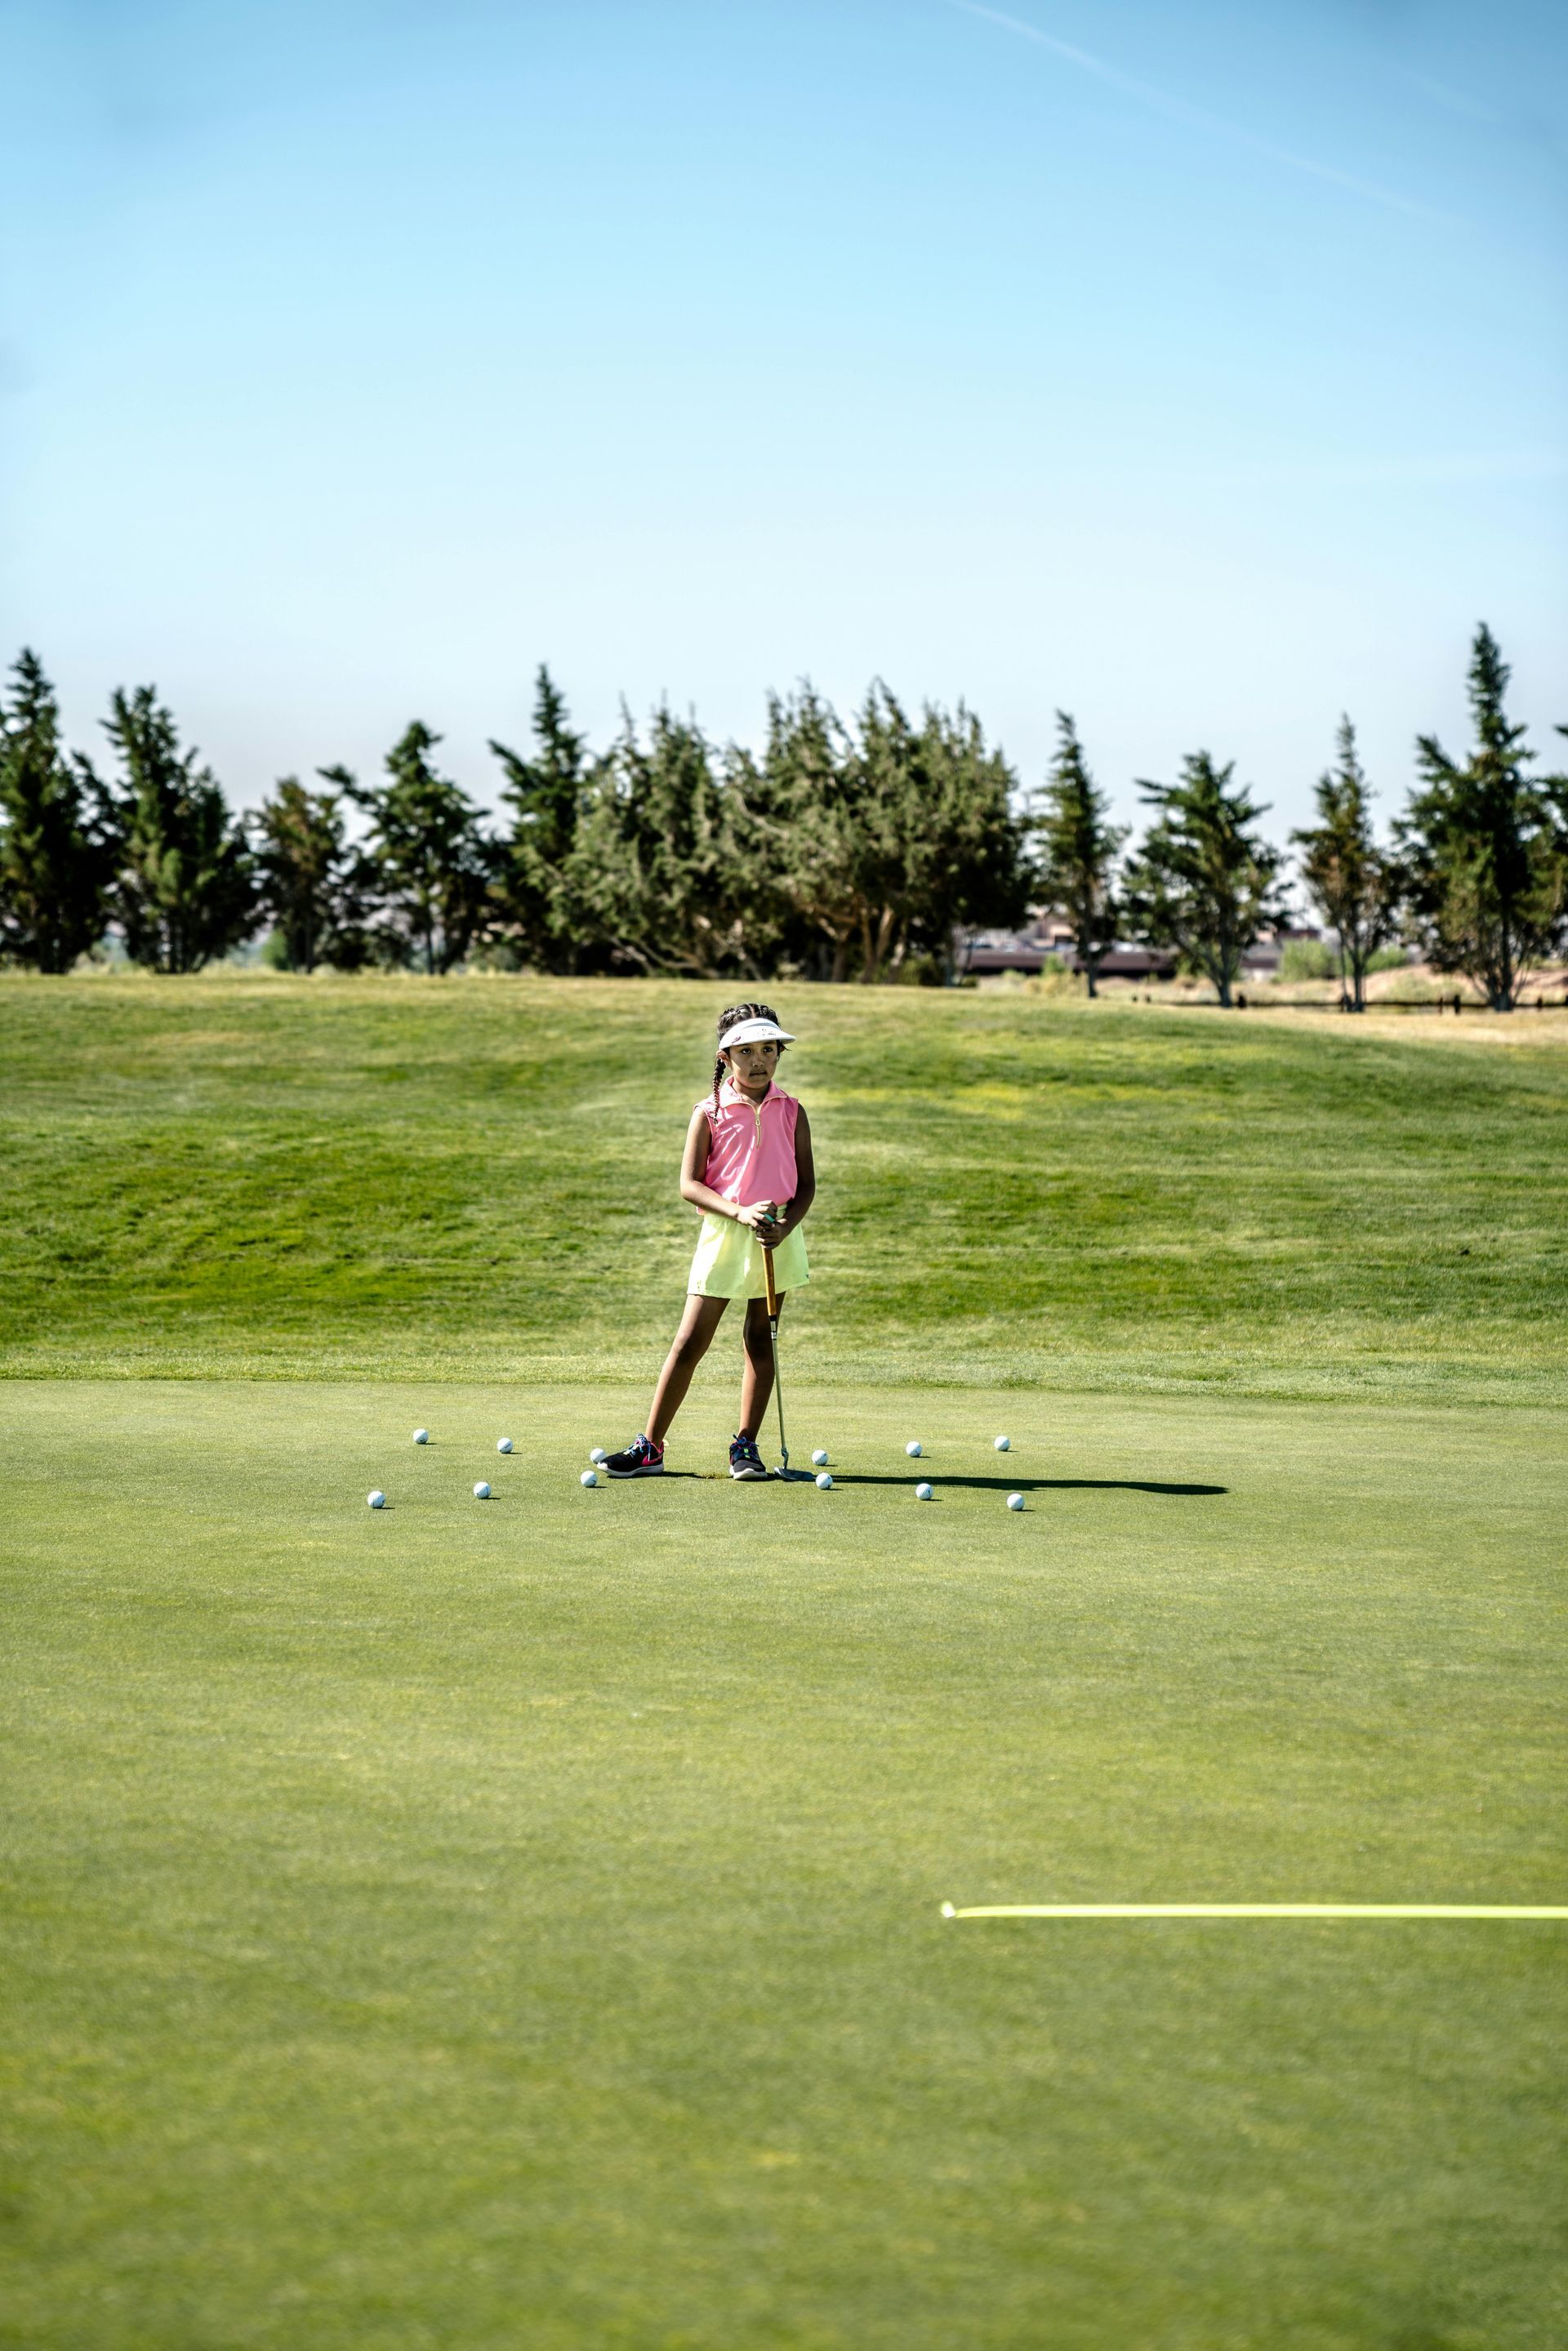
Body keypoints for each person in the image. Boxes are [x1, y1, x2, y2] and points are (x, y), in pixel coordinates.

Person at [601, 1002, 815, 1481]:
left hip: (776, 1234)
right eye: (746, 1052)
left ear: (779, 1053)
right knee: (689, 1342)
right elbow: (690, 1184)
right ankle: (650, 1447)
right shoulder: (709, 1111)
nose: (759, 1061)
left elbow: (806, 1185)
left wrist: (785, 1227)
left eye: (768, 1050)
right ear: (725, 1057)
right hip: (725, 1231)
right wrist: (739, 1211)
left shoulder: (793, 1110)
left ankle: (746, 1446)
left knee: (760, 1340)